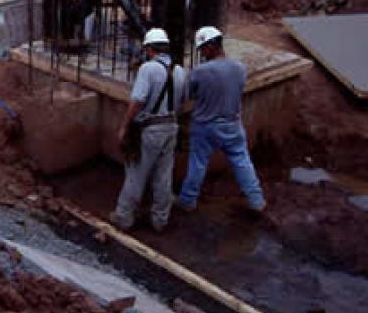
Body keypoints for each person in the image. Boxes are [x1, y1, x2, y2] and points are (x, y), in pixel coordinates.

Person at [178, 26, 266, 213]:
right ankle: (256, 201)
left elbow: (189, 94)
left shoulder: (200, 72)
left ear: (210, 46)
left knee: (198, 164)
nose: (201, 53)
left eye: (202, 49)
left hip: (205, 126)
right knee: (242, 161)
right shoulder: (240, 69)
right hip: (232, 124)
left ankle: (187, 201)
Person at [110, 28, 186, 232]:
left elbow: (138, 101)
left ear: (150, 49)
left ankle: (123, 216)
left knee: (136, 174)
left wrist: (125, 126)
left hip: (151, 129)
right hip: (171, 126)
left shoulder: (148, 69)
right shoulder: (179, 70)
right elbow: (182, 101)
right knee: (163, 175)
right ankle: (160, 220)